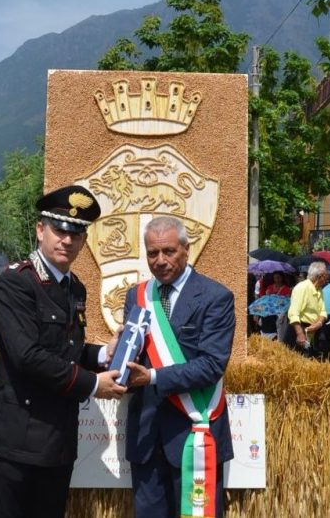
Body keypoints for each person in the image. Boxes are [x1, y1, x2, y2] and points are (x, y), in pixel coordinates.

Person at [0, 185, 126, 518]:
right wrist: (93, 384)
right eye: (59, 230)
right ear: (40, 230)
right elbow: (27, 356)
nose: (67, 240)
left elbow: (66, 348)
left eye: (76, 234)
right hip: (15, 436)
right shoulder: (17, 282)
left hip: (56, 438)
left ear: (84, 241)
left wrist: (104, 355)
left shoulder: (75, 287)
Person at [122, 216, 235, 518]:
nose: (160, 261)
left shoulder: (216, 297)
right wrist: (115, 356)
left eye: (169, 251)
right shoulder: (137, 295)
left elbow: (212, 365)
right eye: (152, 253)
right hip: (146, 435)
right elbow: (132, 348)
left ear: (186, 250)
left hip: (192, 433)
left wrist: (153, 376)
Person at [284, 260, 329, 358]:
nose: (327, 278)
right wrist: (300, 334)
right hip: (298, 330)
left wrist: (319, 323)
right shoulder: (302, 288)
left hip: (312, 331)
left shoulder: (319, 290)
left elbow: (323, 311)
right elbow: (293, 313)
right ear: (319, 276)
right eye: (326, 275)